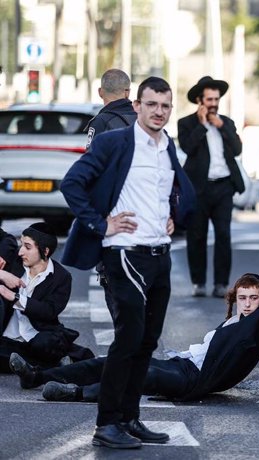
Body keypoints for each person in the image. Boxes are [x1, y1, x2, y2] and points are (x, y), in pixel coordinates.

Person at [60, 76, 196, 449]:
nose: (159, 112)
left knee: (147, 342)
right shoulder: (114, 142)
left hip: (159, 254)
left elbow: (180, 189)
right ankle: (107, 424)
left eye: (165, 106)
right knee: (128, 339)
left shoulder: (167, 146)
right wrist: (100, 223)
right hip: (124, 253)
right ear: (137, 105)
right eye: (151, 104)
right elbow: (72, 183)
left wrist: (174, 213)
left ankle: (130, 418)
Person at [9, 273, 259, 402]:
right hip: (180, 364)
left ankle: (77, 393)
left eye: (254, 298)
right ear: (235, 299)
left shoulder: (253, 328)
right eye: (243, 298)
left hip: (193, 381)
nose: (247, 304)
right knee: (113, 360)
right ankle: (37, 377)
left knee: (141, 375)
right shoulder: (232, 321)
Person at [178, 76, 244, 299]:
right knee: (196, 236)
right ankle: (199, 282)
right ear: (200, 100)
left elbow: (236, 149)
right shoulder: (186, 123)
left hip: (223, 187)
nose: (214, 103)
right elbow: (187, 148)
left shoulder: (226, 122)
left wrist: (221, 126)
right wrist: (203, 126)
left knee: (223, 235)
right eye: (209, 99)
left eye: (216, 98)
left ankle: (221, 283)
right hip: (198, 189)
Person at [85, 69, 138, 330]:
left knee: (111, 274)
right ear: (128, 92)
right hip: (144, 210)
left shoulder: (100, 123)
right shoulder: (146, 120)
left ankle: (124, 336)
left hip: (113, 212)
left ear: (100, 92)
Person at [0, 223, 93, 373]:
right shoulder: (12, 264)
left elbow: (49, 311)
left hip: (38, 336)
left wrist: (15, 297)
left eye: (28, 247)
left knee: (46, 343)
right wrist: (2, 275)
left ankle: (29, 364)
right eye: (21, 245)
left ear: (45, 251)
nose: (21, 252)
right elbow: (6, 240)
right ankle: (46, 365)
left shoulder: (61, 277)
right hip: (7, 339)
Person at [85, 69, 137, 150]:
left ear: (100, 92)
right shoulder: (142, 118)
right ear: (127, 92)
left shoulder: (100, 121)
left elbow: (91, 158)